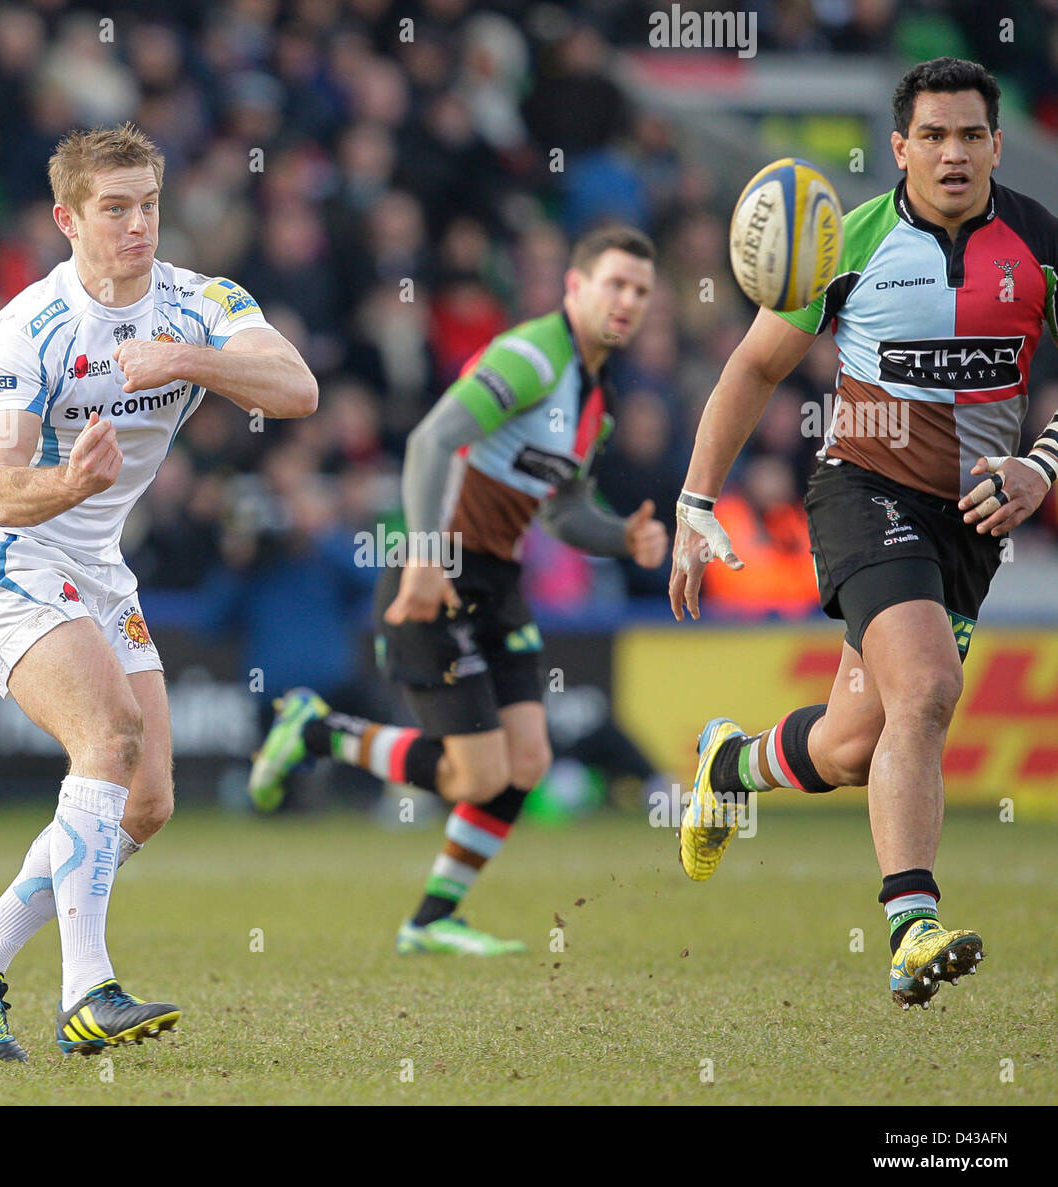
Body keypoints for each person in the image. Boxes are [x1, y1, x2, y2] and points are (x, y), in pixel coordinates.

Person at [667, 59, 1058, 1008]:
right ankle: (911, 928)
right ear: (899, 147)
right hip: (864, 490)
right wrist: (694, 504)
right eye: (933, 135)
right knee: (927, 687)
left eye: (971, 135)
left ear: (999, 145)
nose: (954, 153)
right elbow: (754, 370)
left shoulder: (1042, 247)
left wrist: (1039, 466)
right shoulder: (848, 241)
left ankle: (733, 763)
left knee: (851, 747)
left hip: (971, 523)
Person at [0, 123, 317, 1060]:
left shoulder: (200, 302)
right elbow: (9, 491)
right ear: (67, 218)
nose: (137, 225)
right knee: (107, 736)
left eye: (148, 204)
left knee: (145, 802)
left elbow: (296, 387)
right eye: (114, 209)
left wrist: (189, 361)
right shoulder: (25, 329)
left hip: (97, 565)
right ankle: (87, 990)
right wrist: (76, 484)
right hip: (3, 557)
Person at [249, 225, 668, 954]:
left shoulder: (593, 400)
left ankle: (432, 918)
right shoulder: (533, 356)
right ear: (576, 287)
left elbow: (564, 508)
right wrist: (423, 555)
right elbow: (431, 442)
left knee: (528, 762)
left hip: (497, 581)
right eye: (614, 284)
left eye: (640, 289)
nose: (627, 301)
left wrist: (620, 537)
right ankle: (315, 729)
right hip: (437, 573)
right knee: (476, 774)